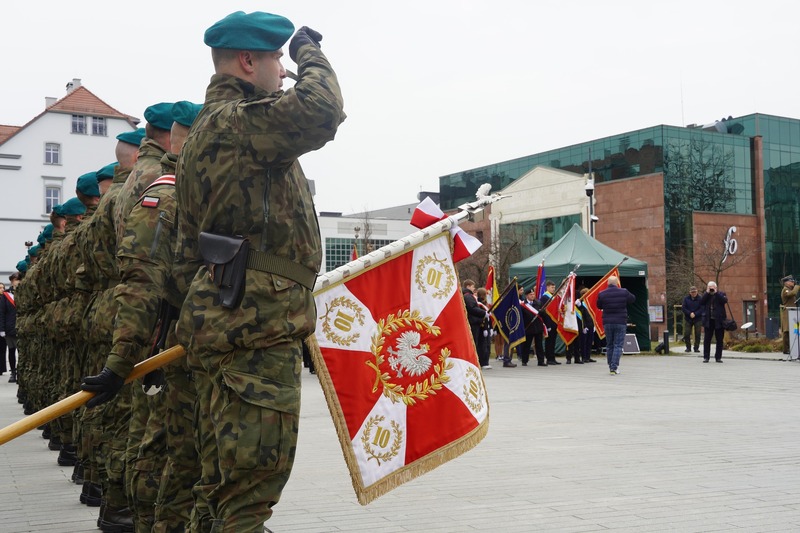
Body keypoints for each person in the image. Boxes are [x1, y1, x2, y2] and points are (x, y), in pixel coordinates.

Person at [166, 12, 345, 531]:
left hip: (225, 319)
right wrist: (309, 49)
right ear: (249, 61)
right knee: (246, 497)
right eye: (277, 60)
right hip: (256, 327)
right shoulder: (239, 122)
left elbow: (183, 249)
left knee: (218, 491)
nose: (284, 73)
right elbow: (322, 110)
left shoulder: (203, 133)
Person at [597, 275, 635, 374]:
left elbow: (598, 305)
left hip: (607, 322)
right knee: (618, 345)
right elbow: (632, 299)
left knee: (609, 345)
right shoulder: (624, 292)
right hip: (620, 321)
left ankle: (610, 365)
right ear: (617, 283)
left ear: (607, 283)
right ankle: (614, 367)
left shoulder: (602, 293)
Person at [463, 280, 489, 367]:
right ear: (468, 286)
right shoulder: (468, 297)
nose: (474, 288)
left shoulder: (468, 296)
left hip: (474, 322)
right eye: (472, 286)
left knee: (476, 343)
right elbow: (472, 308)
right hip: (473, 322)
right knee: (474, 343)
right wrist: (483, 313)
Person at [700, 281, 728, 363]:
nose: (711, 289)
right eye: (710, 287)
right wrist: (707, 293)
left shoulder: (721, 294)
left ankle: (718, 357)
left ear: (716, 288)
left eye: (713, 287)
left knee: (719, 339)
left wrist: (716, 293)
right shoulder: (706, 295)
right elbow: (701, 302)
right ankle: (706, 357)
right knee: (707, 339)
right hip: (709, 321)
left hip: (719, 321)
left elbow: (724, 301)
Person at [0, 273, 20, 383]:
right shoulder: (6, 295)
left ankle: (21, 372)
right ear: (12, 281)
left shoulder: (23, 293)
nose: (17, 282)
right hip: (9, 327)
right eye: (16, 280)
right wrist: (2, 329)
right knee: (11, 351)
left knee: (21, 352)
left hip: (21, 327)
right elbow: (2, 313)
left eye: (19, 280)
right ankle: (13, 372)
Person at [539, 280, 561, 365]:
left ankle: (552, 357)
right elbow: (545, 312)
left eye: (554, 287)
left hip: (554, 322)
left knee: (553, 341)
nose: (553, 289)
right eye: (552, 287)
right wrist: (547, 324)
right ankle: (549, 358)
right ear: (547, 287)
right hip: (548, 322)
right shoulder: (545, 297)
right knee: (549, 341)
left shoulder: (553, 296)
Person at [780, 275, 800, 355]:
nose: (793, 283)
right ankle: (786, 349)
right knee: (787, 331)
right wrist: (797, 286)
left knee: (793, 331)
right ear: (786, 283)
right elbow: (792, 293)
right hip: (787, 313)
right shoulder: (785, 290)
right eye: (791, 282)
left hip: (793, 313)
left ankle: (792, 348)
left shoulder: (789, 289)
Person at [475, 287, 493, 369]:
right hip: (483, 328)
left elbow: (489, 317)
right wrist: (485, 328)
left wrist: (491, 327)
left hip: (488, 327)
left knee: (487, 345)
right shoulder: (479, 303)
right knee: (483, 346)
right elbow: (483, 317)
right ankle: (483, 362)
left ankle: (486, 361)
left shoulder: (485, 303)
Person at [682, 286, 703, 353]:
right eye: (692, 292)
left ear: (697, 292)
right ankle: (688, 347)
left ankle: (696, 348)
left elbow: (702, 308)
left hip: (698, 318)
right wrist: (690, 313)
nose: (694, 293)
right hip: (688, 318)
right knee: (687, 333)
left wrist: (695, 314)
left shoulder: (700, 299)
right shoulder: (686, 299)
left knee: (698, 334)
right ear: (690, 292)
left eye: (695, 292)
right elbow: (684, 308)